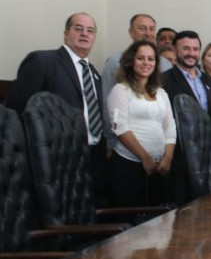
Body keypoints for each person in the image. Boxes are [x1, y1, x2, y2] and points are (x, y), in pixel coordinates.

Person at [7, 12, 108, 201]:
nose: (85, 34)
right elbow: (16, 109)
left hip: (91, 157)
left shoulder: (93, 73)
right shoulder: (43, 61)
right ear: (66, 33)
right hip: (53, 158)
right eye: (78, 29)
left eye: (90, 30)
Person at [161, 30, 211, 204]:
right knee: (184, 208)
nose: (191, 53)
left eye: (195, 49)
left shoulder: (210, 81)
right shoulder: (164, 80)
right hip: (181, 158)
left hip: (209, 155)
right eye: (186, 49)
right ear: (175, 51)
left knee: (210, 205)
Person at [106, 40, 176, 207]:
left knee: (155, 220)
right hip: (128, 165)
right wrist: (144, 157)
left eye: (151, 59)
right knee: (130, 221)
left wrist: (168, 158)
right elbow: (120, 128)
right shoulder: (120, 90)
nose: (146, 63)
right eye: (141, 58)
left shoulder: (161, 93)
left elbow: (169, 127)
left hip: (158, 168)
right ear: (131, 61)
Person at [102, 14, 174, 151]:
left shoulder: (165, 64)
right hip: (124, 145)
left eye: (152, 29)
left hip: (158, 147)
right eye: (142, 28)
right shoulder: (114, 62)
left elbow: (168, 114)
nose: (148, 33)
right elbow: (106, 104)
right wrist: (110, 142)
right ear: (131, 32)